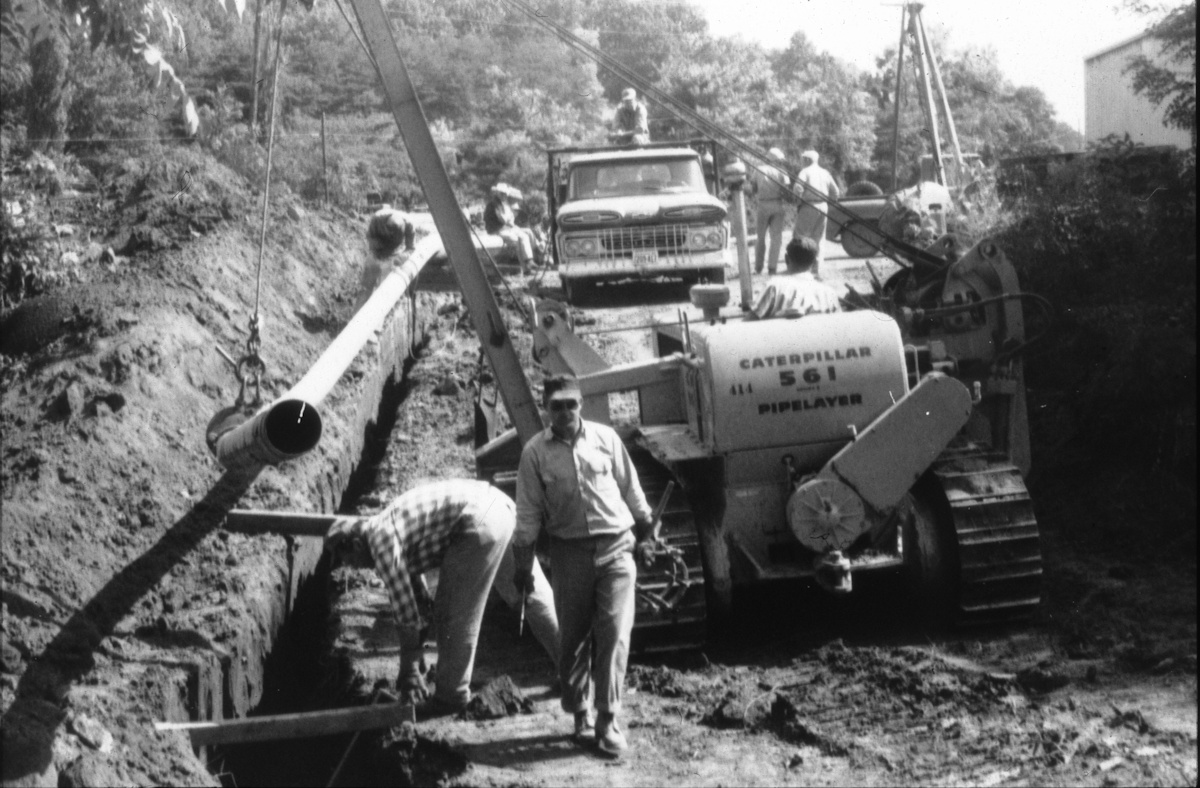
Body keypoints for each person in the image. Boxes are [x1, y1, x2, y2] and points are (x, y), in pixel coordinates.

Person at [324, 479, 559, 716]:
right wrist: (417, 657)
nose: (354, 567)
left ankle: (450, 697)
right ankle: (573, 669)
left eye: (348, 560)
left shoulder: (379, 543)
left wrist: (410, 670)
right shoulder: (386, 528)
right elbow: (416, 599)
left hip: (477, 522)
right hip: (500, 507)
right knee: (532, 595)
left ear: (355, 544)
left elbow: (405, 612)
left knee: (452, 613)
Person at [513, 376, 658, 757]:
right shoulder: (534, 453)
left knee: (614, 633)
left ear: (581, 405)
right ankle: (580, 712)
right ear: (547, 408)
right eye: (556, 406)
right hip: (569, 552)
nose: (564, 412)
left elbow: (631, 488)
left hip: (616, 547)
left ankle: (607, 719)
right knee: (573, 638)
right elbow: (527, 513)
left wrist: (647, 531)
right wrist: (522, 564)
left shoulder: (605, 439)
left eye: (570, 404)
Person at [745, 236, 842, 321]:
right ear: (814, 263)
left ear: (787, 259)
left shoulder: (774, 287)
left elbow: (747, 325)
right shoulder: (829, 293)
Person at [791, 150, 841, 279]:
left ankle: (798, 266)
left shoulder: (805, 172)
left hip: (808, 205)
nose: (802, 161)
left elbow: (798, 188)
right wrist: (829, 202)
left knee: (800, 237)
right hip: (823, 206)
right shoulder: (825, 173)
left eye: (803, 159)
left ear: (807, 160)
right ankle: (816, 269)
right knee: (818, 238)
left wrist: (798, 202)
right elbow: (835, 192)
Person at [356, 207, 414, 313]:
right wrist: (377, 258)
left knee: (386, 286)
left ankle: (382, 317)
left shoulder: (409, 224)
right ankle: (356, 317)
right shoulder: (377, 220)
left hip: (395, 253)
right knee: (366, 286)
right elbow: (371, 242)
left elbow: (411, 249)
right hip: (378, 248)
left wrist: (400, 258)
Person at [751, 148, 793, 275]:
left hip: (763, 203)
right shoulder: (782, 172)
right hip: (777, 203)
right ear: (777, 160)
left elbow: (753, 188)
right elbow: (786, 190)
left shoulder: (758, 169)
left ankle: (758, 267)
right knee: (776, 238)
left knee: (760, 237)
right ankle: (772, 267)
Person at [484, 183, 540, 274]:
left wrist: (511, 221)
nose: (504, 195)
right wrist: (510, 220)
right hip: (496, 229)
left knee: (526, 233)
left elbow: (508, 219)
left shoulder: (502, 203)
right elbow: (503, 220)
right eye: (502, 193)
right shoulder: (494, 204)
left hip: (505, 228)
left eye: (505, 193)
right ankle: (528, 265)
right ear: (497, 193)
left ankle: (532, 258)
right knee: (520, 238)